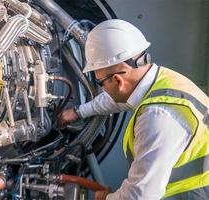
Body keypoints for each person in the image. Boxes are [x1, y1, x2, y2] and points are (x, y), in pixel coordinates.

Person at [57, 19, 209, 200]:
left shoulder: (157, 117)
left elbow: (140, 196)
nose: (102, 88)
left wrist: (106, 198)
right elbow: (116, 99)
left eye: (100, 83)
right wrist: (78, 112)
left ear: (118, 80)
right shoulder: (160, 81)